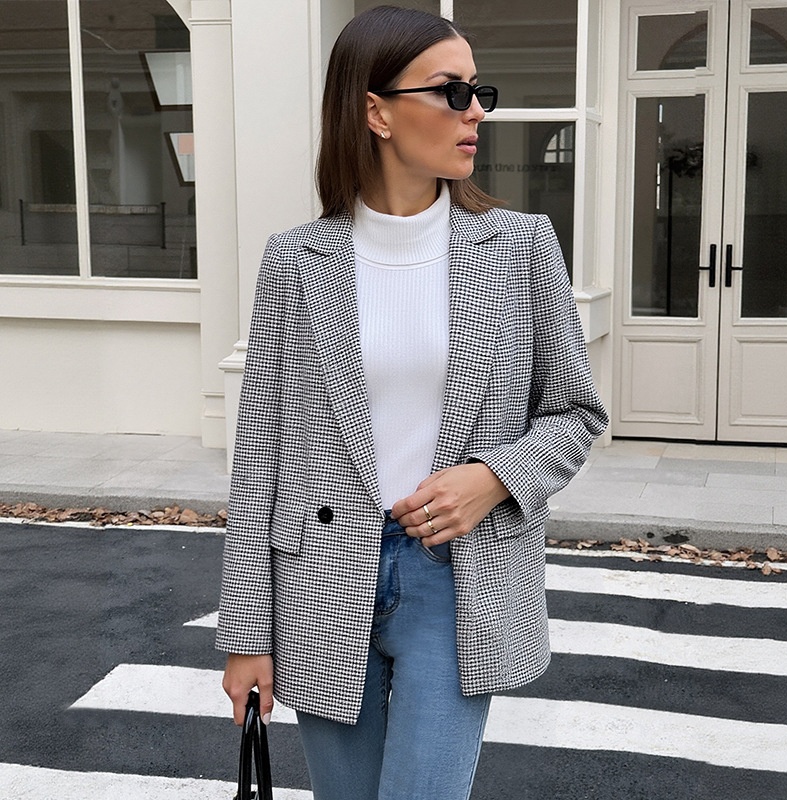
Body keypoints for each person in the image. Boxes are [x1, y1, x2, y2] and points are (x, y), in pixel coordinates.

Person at [217, 6, 607, 799]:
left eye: (478, 91)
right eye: (450, 90)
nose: (475, 111)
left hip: (457, 575)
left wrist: (492, 477)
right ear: (376, 111)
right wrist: (246, 632)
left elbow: (575, 413)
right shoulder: (295, 260)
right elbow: (259, 454)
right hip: (322, 575)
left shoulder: (521, 246)